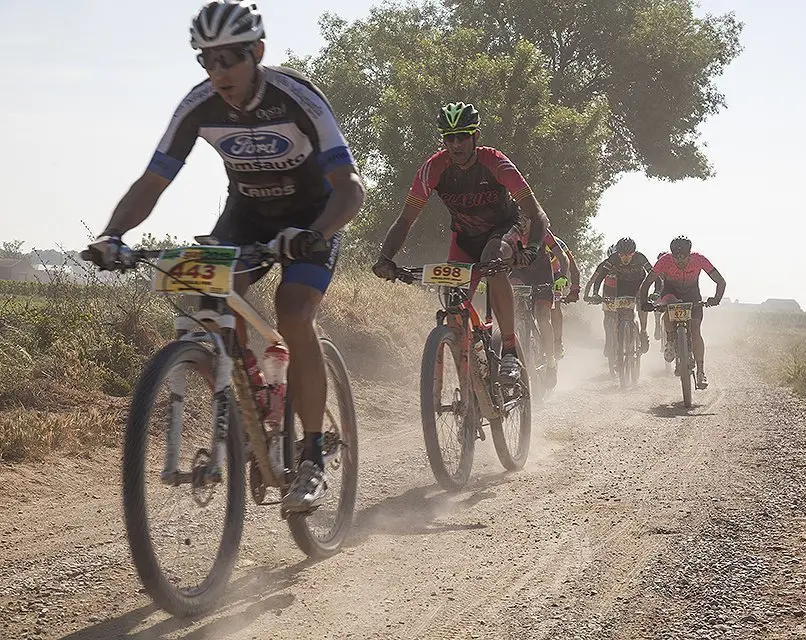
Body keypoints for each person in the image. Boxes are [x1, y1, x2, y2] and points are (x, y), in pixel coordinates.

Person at [85, 0, 365, 512]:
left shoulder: (298, 98)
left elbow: (349, 187)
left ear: (256, 52)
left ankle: (311, 456)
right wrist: (113, 234)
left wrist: (317, 233)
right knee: (207, 296)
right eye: (205, 61)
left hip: (311, 218)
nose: (217, 73)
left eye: (228, 59)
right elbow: (153, 181)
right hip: (247, 216)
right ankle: (250, 395)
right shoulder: (198, 106)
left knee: (294, 311)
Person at [371, 102, 552, 383]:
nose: (456, 144)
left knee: (493, 259)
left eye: (463, 136)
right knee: (454, 301)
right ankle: (471, 385)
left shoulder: (495, 162)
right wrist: (385, 258)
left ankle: (509, 350)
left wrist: (530, 250)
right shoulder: (434, 168)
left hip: (503, 230)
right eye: (449, 137)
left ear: (475, 137)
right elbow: (405, 219)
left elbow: (537, 214)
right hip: (464, 238)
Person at [640, 236, 726, 389]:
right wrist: (644, 303)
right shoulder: (665, 261)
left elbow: (720, 281)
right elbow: (646, 283)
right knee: (669, 304)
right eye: (676, 257)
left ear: (689, 254)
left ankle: (701, 372)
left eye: (683, 257)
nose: (679, 260)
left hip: (692, 295)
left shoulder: (699, 259)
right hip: (670, 292)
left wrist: (716, 298)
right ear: (671, 254)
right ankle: (671, 341)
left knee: (695, 331)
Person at [510, 218, 569, 386]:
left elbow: (562, 257)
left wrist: (563, 277)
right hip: (519, 275)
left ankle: (550, 362)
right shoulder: (510, 233)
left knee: (543, 317)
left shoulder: (542, 232)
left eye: (526, 219)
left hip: (542, 276)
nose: (521, 223)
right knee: (510, 307)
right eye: (518, 218)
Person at [584, 237, 654, 353]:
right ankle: (614, 340)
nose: (625, 258)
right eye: (622, 255)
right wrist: (594, 293)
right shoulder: (612, 259)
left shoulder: (640, 257)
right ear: (618, 253)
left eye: (629, 254)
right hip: (621, 286)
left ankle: (643, 332)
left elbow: (652, 273)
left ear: (634, 253)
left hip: (639, 284)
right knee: (618, 313)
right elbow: (598, 278)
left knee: (641, 304)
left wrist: (655, 292)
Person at [547, 234, 581, 360]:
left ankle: (557, 342)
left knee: (555, 305)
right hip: (530, 275)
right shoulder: (521, 238)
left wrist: (574, 290)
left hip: (554, 275)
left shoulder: (557, 242)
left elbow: (573, 267)